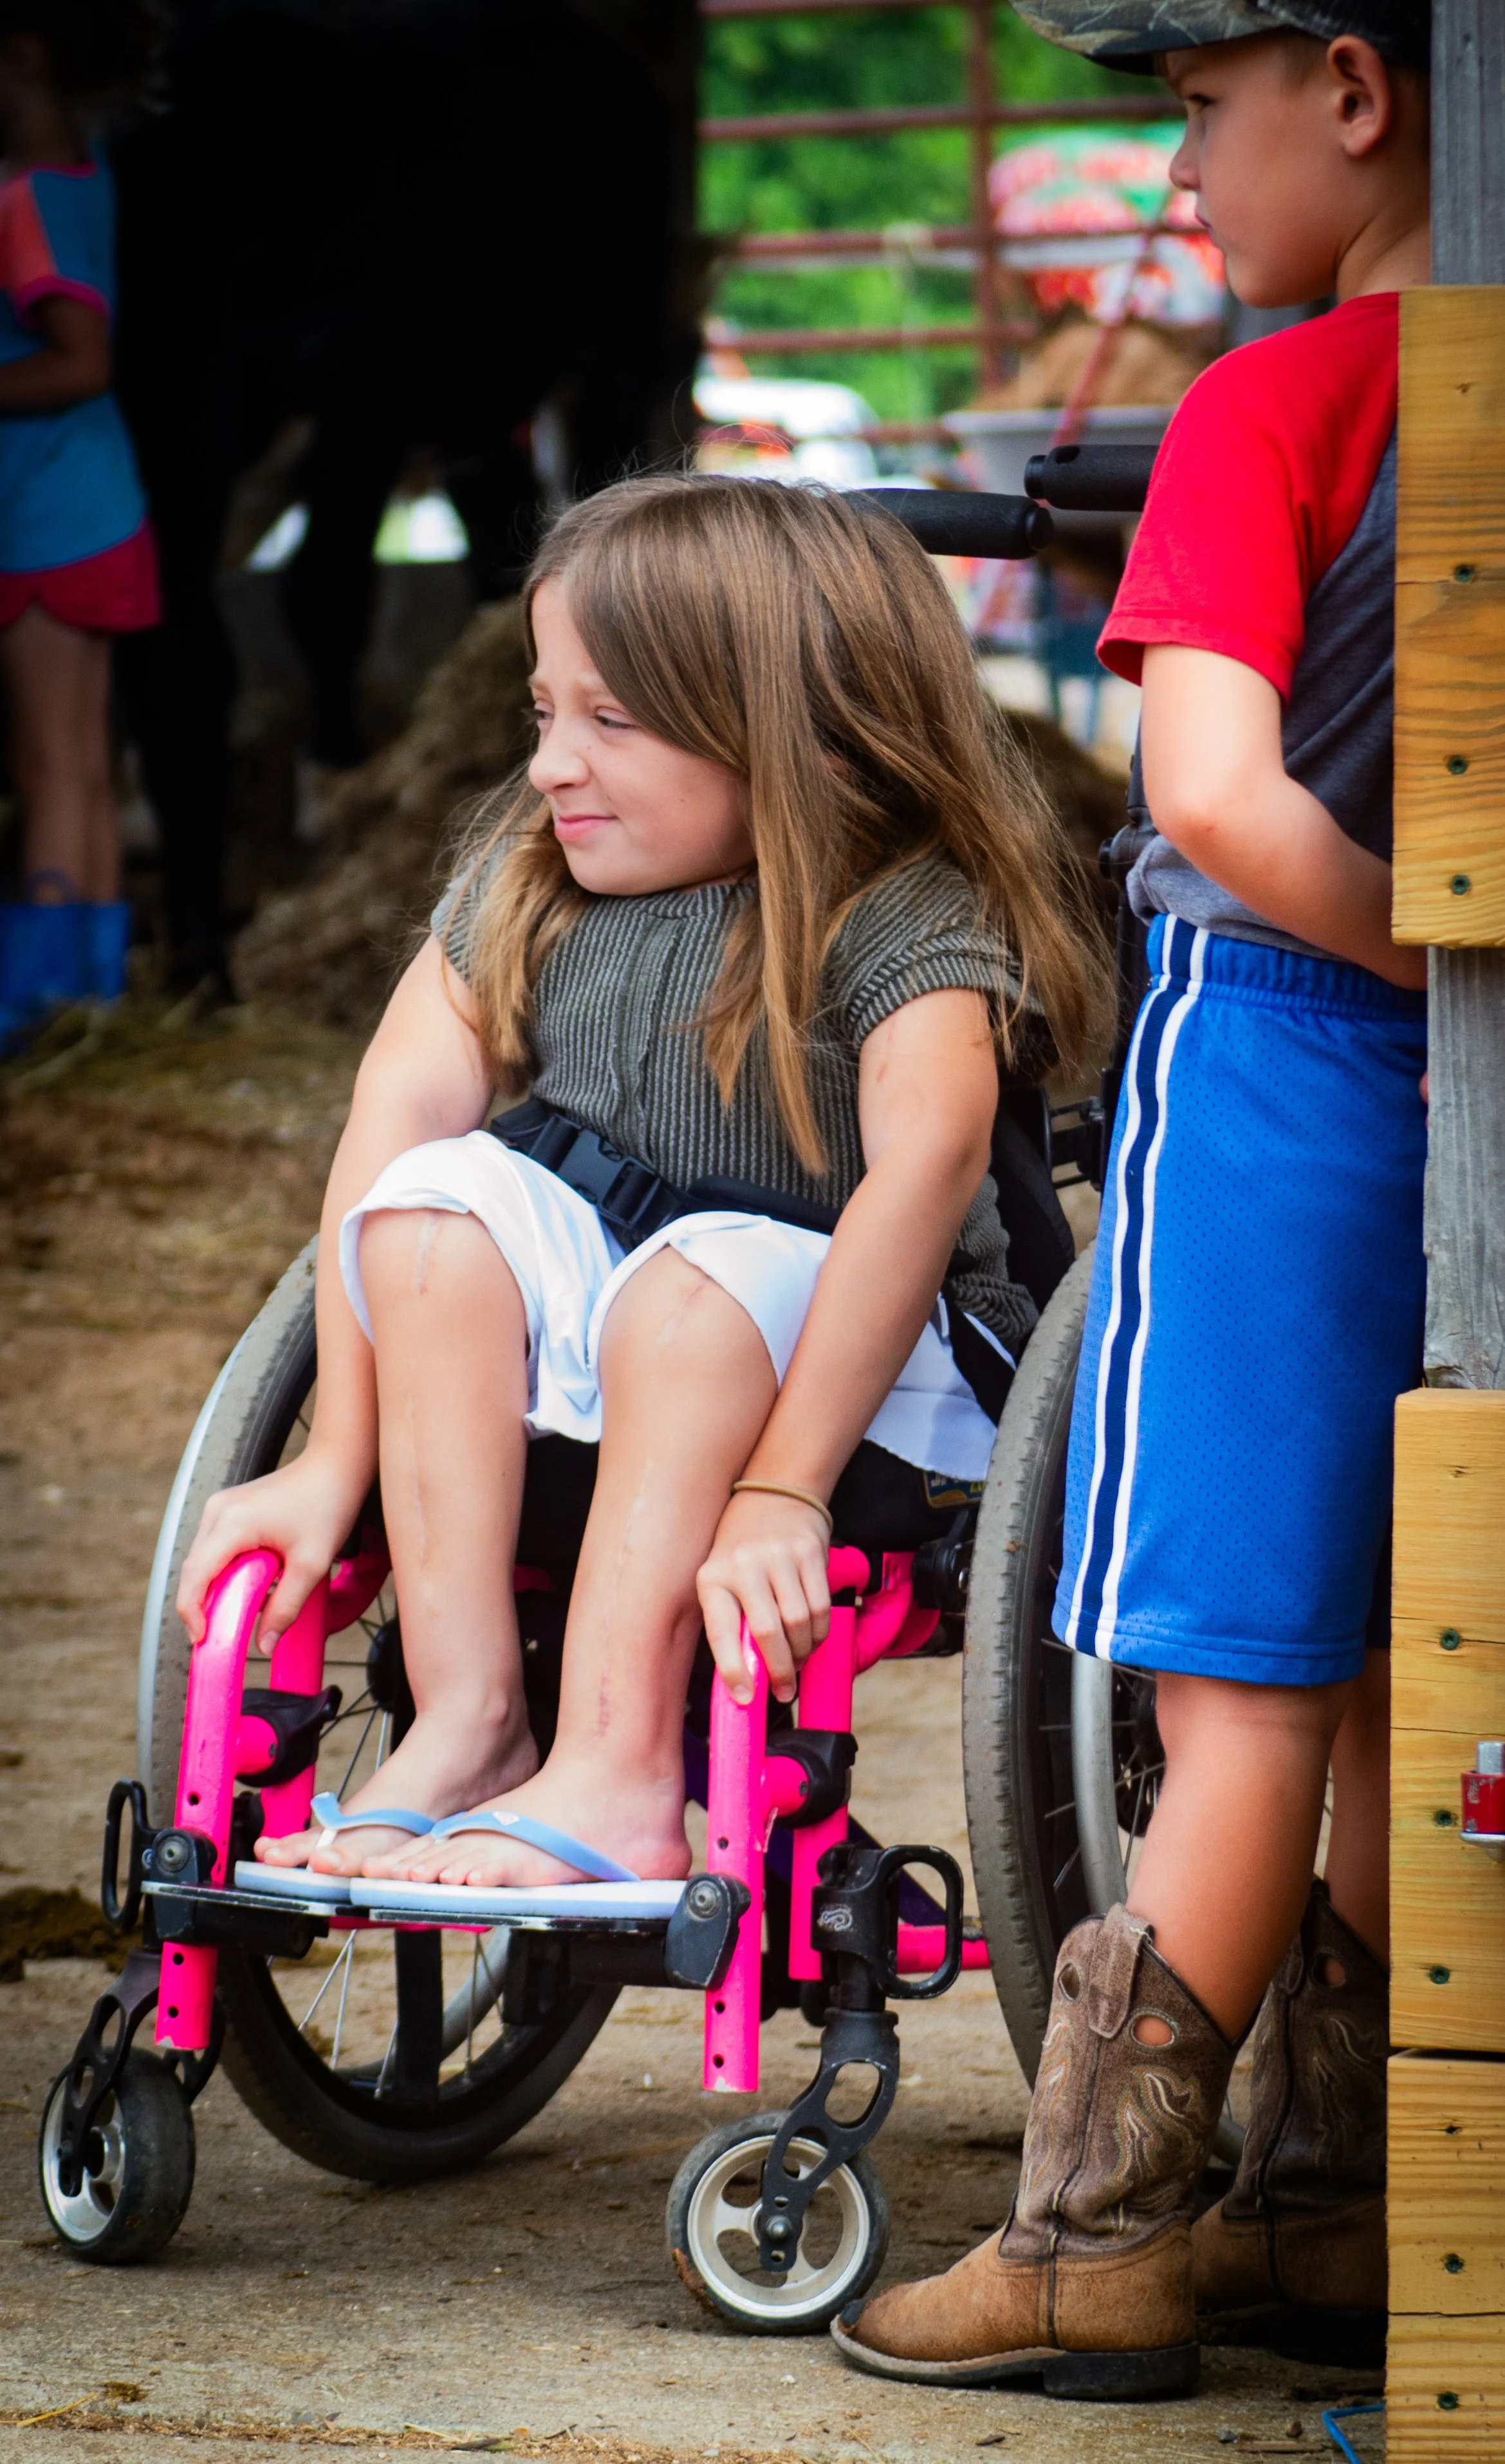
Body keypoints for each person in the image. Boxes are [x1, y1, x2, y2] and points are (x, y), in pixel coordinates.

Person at [831, 0, 1430, 2401]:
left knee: (1234, 1671)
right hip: (1452, 1091)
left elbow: (1201, 792)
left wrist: (1438, 951)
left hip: (1285, 1050)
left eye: (1195, 105)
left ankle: (1087, 2230)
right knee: (1410, 1645)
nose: (1175, 162)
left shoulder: (1264, 403)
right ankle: (1331, 2193)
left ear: (1352, 90)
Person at [177, 473, 1104, 1897]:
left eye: (610, 721)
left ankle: (614, 1769)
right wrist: (332, 1454)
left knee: (691, 1285)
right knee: (428, 1211)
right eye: (544, 713)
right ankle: (473, 1716)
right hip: (613, 1332)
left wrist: (786, 1487)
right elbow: (402, 1106)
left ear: (795, 738)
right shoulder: (534, 876)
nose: (552, 763)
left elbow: (922, 1173)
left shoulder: (903, 908)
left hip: (867, 1364)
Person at [0, 0, 160, 1044]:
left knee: (50, 769)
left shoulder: (19, 202)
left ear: (22, 56)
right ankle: (90, 1003)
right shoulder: (82, 168)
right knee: (86, 765)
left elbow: (82, 360)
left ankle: (43, 1008)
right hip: (92, 504)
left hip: (45, 517)